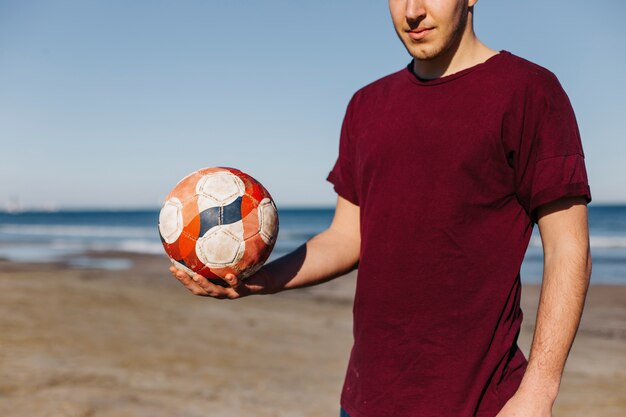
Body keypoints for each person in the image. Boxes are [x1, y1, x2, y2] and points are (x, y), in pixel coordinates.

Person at [169, 0, 593, 416]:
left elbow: (568, 250)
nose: (412, 11)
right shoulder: (366, 106)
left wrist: (538, 392)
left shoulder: (529, 91)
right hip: (365, 401)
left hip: (482, 402)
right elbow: (346, 237)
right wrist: (258, 282)